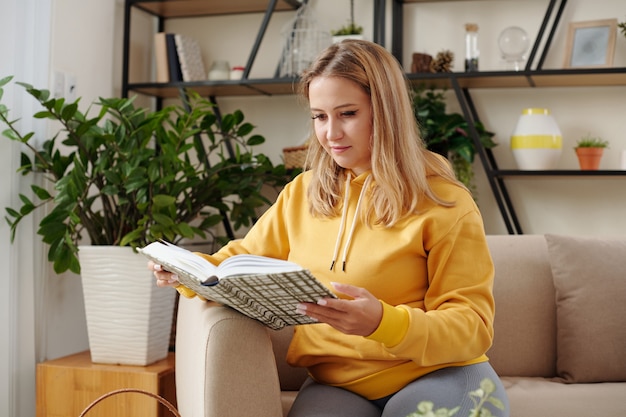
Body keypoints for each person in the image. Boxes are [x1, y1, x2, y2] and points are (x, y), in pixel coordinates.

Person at [150, 39, 510, 417]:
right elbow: (238, 260)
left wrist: (383, 323)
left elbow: (472, 326)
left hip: (439, 374)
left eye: (347, 113)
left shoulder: (444, 201)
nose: (331, 133)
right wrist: (188, 270)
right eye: (319, 117)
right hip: (337, 384)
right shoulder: (302, 194)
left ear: (385, 112)